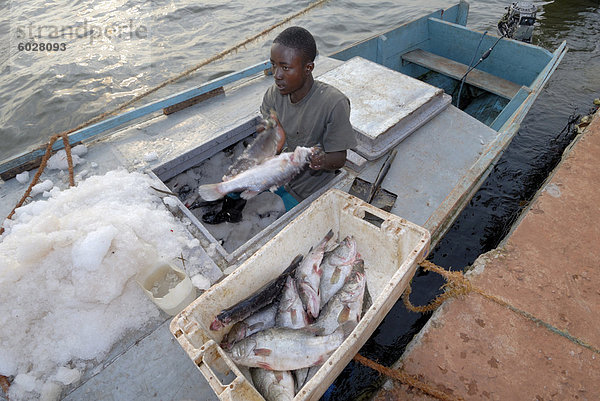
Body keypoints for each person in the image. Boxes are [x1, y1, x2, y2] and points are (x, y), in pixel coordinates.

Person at [202, 26, 356, 224]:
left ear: (308, 68)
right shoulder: (273, 94)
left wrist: (322, 160)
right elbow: (272, 133)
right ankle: (231, 213)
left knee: (299, 225)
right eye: (273, 65)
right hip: (274, 166)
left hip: (304, 184)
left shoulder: (333, 104)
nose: (277, 74)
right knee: (235, 180)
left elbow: (339, 158)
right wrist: (270, 136)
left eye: (285, 67)